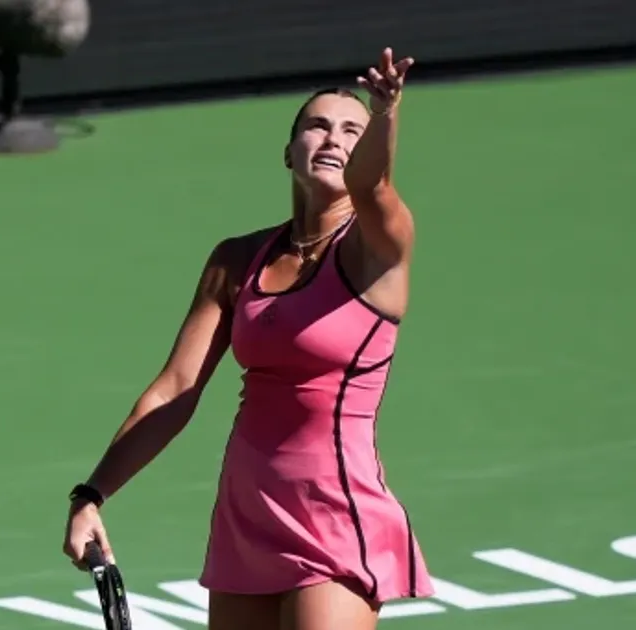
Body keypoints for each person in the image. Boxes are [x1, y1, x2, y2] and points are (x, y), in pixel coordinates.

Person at [62, 47, 431, 630]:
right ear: (289, 151)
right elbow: (175, 390)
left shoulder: (378, 249)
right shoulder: (236, 261)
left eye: (351, 131)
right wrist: (91, 495)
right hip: (247, 517)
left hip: (337, 513)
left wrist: (386, 112)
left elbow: (371, 183)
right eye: (317, 126)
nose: (333, 139)